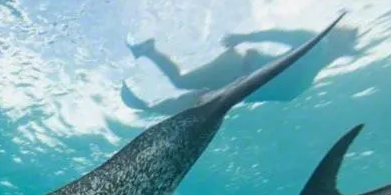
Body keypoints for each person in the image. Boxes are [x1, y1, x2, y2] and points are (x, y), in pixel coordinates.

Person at [122, 24, 361, 116]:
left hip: (234, 82)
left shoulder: (304, 83)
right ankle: (148, 53)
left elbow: (264, 93)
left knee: (188, 91)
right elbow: (279, 34)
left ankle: (148, 56)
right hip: (235, 68)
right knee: (182, 83)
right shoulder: (317, 43)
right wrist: (244, 36)